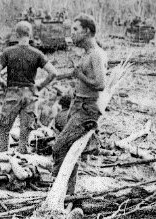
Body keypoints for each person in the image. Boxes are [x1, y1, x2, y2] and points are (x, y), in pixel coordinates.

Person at [51, 14, 107, 195]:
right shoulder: (88, 54)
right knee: (67, 149)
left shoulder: (96, 54)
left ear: (87, 31)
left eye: (75, 30)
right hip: (77, 105)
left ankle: (60, 190)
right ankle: (67, 193)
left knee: (59, 147)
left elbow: (100, 84)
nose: (72, 34)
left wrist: (79, 76)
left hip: (86, 110)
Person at [0, 21, 58, 153]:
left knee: (4, 128)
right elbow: (53, 72)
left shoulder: (8, 52)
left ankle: (3, 157)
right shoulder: (37, 53)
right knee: (25, 132)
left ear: (16, 34)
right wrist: (40, 86)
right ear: (30, 34)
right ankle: (22, 158)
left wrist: (1, 82)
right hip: (30, 95)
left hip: (12, 93)